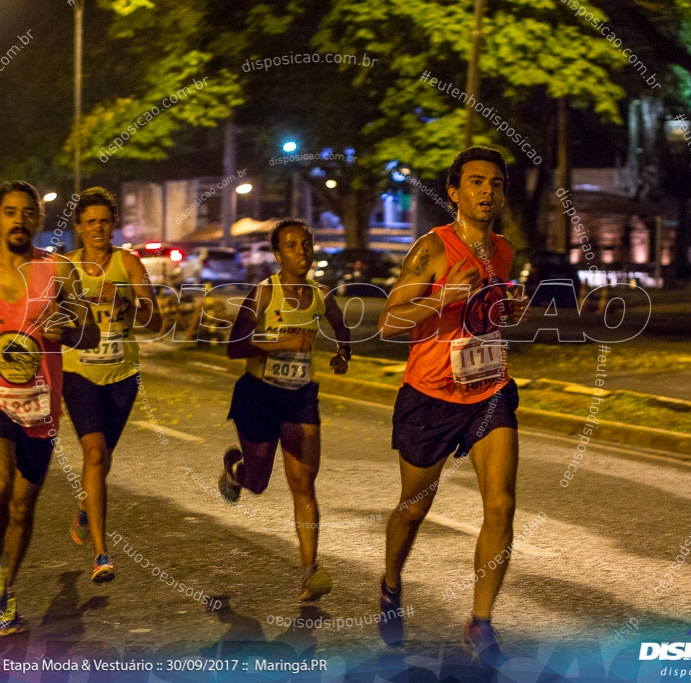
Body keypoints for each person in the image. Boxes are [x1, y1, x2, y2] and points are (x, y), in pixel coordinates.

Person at [376, 147, 528, 661]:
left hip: (489, 391)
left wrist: (506, 307)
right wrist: (443, 297)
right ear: (455, 192)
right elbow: (389, 322)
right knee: (414, 510)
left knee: (502, 505)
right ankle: (391, 582)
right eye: (477, 182)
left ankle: (480, 623)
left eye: (497, 183)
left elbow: (485, 317)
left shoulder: (502, 252)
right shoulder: (433, 248)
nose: (488, 191)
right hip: (430, 395)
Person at [0, 180, 99, 636]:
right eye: (10, 212)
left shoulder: (59, 272)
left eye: (28, 213)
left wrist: (63, 331)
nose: (19, 220)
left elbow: (90, 336)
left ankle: (4, 586)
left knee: (24, 506)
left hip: (39, 406)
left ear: (38, 221)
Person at [218, 218, 351, 601]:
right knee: (257, 482)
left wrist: (343, 354)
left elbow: (342, 330)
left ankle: (310, 570)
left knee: (304, 484)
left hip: (300, 396)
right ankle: (235, 471)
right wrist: (280, 344)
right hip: (258, 395)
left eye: (307, 244)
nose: (302, 252)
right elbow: (235, 346)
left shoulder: (322, 294)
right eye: (292, 245)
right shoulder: (262, 294)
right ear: (277, 255)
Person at [62, 186, 161, 582]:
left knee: (102, 457)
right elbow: (50, 321)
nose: (98, 228)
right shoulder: (64, 266)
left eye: (104, 220)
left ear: (114, 224)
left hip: (122, 375)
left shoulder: (129, 264)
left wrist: (126, 300)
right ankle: (102, 554)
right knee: (94, 451)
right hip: (79, 373)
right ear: (79, 228)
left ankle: (87, 507)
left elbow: (156, 323)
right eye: (90, 222)